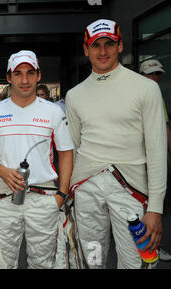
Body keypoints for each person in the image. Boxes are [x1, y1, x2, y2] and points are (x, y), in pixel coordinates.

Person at [66, 19, 167, 269]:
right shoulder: (74, 95)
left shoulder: (146, 88)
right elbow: (75, 147)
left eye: (109, 44)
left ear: (120, 45)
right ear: (86, 49)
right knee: (93, 259)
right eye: (96, 45)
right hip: (86, 189)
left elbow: (156, 151)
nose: (102, 51)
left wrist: (155, 208)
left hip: (131, 189)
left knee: (135, 262)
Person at [0, 50, 74, 269]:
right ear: (9, 77)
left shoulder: (54, 111)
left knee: (44, 263)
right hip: (4, 197)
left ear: (38, 75)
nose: (24, 80)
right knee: (2, 263)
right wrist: (2, 170)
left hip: (44, 197)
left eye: (30, 73)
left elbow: (65, 153)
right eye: (18, 73)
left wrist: (61, 195)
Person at [139, 58, 171, 261]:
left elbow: (165, 127)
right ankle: (149, 249)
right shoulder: (142, 93)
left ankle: (150, 247)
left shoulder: (156, 94)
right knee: (145, 205)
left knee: (154, 206)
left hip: (155, 158)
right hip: (140, 160)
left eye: (157, 74)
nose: (154, 78)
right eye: (150, 74)